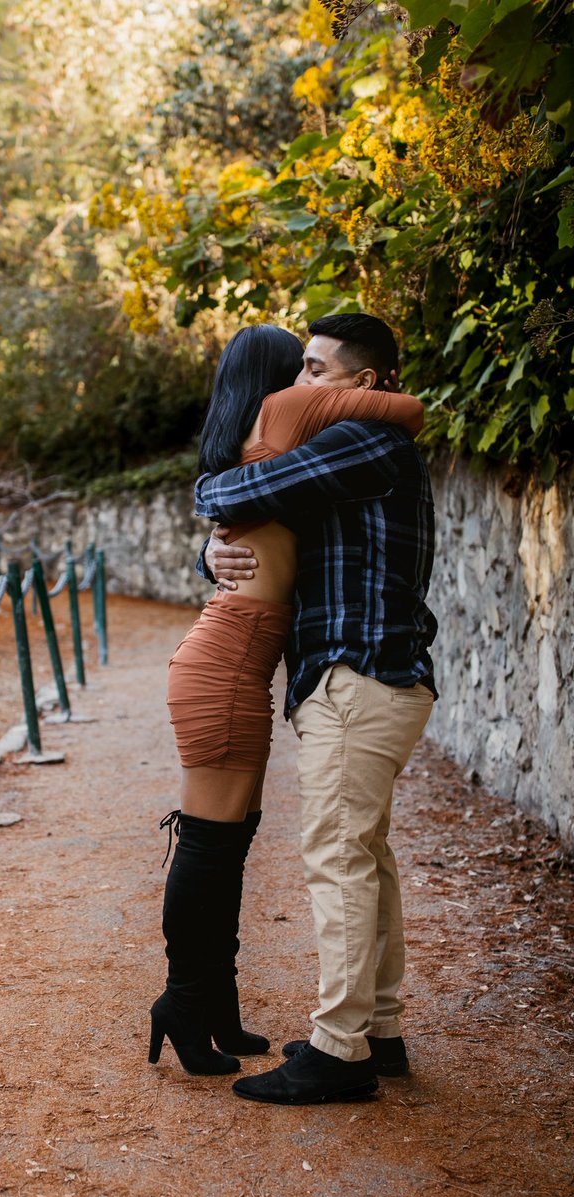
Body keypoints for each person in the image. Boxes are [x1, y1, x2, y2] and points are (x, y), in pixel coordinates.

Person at [149, 322, 426, 1079]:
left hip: (324, 665)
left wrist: (210, 516)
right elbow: (250, 512)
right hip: (270, 662)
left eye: (315, 369)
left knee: (304, 853)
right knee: (293, 850)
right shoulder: (302, 427)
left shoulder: (339, 439)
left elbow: (246, 494)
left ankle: (312, 1036)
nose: (303, 384)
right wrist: (208, 541)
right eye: (295, 370)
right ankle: (203, 1002)